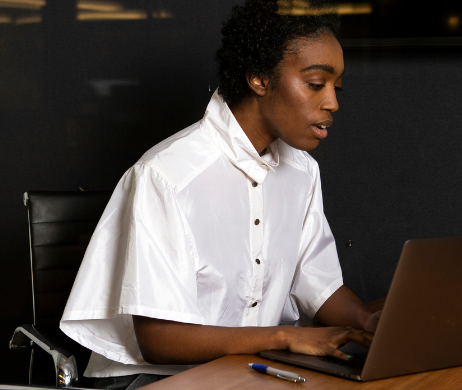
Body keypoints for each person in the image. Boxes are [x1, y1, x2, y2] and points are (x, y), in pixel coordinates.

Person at [60, 1, 380, 388]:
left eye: (336, 86)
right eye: (316, 84)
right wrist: (286, 336)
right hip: (152, 379)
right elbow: (159, 339)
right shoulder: (165, 175)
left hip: (249, 371)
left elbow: (317, 282)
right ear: (259, 78)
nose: (332, 102)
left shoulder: (302, 171)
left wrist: (369, 324)